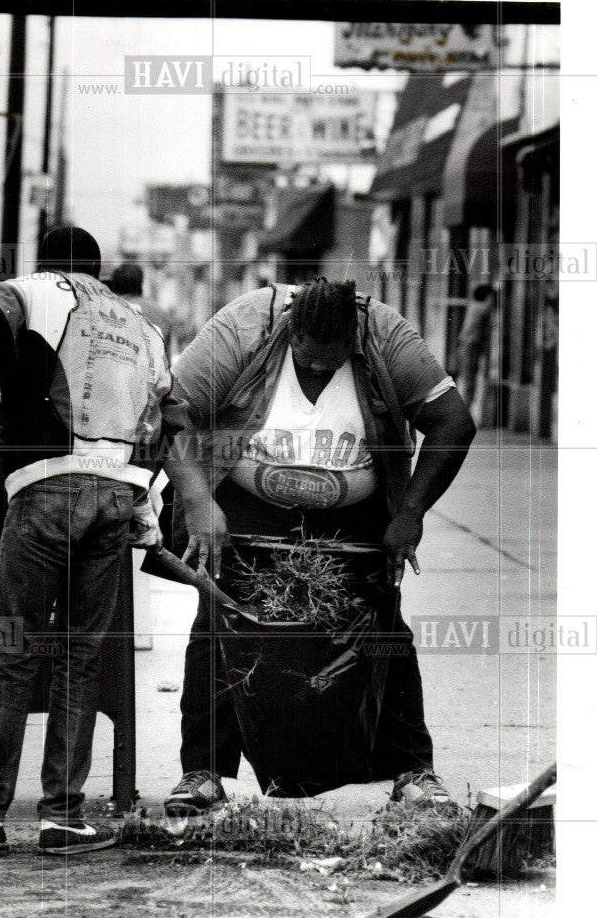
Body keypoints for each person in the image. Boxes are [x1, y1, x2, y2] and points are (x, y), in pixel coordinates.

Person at [0, 226, 225, 856]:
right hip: (115, 500)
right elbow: (171, 422)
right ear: (100, 268)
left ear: (46, 263)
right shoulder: (141, 327)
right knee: (79, 657)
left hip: (45, 490)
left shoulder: (34, 293)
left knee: (13, 654)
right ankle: (63, 815)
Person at [162, 278, 476, 816]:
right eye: (307, 362)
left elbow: (454, 422)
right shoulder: (245, 327)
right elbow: (169, 410)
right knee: (218, 619)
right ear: (290, 330)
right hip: (246, 504)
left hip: (353, 514)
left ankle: (414, 772)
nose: (317, 372)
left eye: (331, 365)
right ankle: (203, 772)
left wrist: (410, 512)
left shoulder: (384, 334)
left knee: (381, 627)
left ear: (353, 340)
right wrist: (195, 499)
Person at [110, 261, 174, 353]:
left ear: (114, 285)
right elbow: (167, 357)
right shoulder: (160, 313)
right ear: (141, 283)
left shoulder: (111, 310)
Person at [456, 283, 495, 407]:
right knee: (469, 381)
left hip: (468, 345)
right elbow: (488, 307)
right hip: (470, 346)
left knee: (468, 380)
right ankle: (464, 410)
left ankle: (465, 408)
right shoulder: (479, 307)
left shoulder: (473, 306)